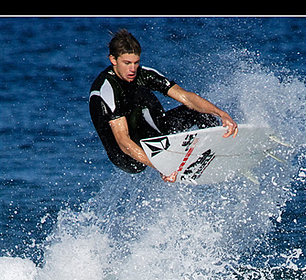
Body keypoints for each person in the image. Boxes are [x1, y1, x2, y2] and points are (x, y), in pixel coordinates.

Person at [89, 29, 238, 182]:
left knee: (201, 112)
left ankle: (217, 151)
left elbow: (186, 97)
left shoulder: (144, 74)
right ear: (113, 60)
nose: (132, 69)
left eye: (136, 62)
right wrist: (161, 165)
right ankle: (166, 150)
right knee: (141, 94)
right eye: (127, 63)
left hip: (149, 135)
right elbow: (122, 140)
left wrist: (222, 114)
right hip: (126, 155)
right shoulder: (107, 89)